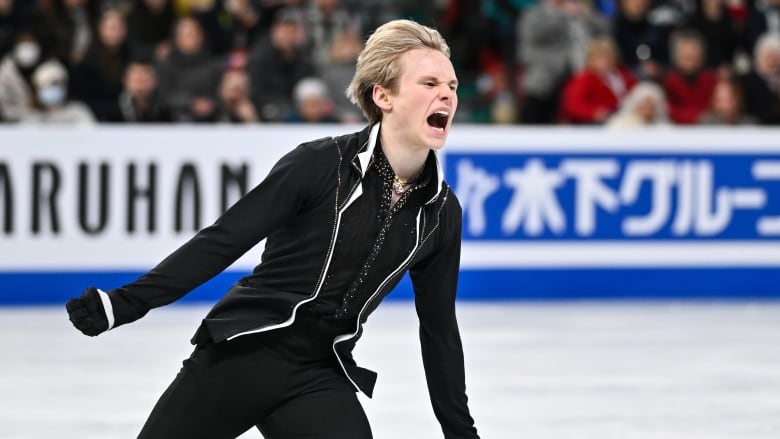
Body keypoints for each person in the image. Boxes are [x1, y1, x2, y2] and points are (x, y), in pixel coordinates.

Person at [66, 18, 480, 439]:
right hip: (244, 351)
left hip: (320, 372)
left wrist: (461, 433)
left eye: (452, 85)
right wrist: (127, 302)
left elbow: (440, 329)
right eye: (429, 83)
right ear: (383, 95)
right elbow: (224, 240)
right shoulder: (319, 165)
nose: (447, 93)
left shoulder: (440, 213)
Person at [559, 36, 637, 124]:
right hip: (596, 124)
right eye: (600, 57)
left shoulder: (623, 75)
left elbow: (638, 92)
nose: (605, 61)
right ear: (590, 59)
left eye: (608, 57)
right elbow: (573, 104)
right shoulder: (584, 79)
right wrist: (593, 112)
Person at [606, 80, 671, 128]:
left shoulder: (663, 126)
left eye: (651, 105)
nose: (648, 107)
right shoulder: (620, 125)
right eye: (644, 104)